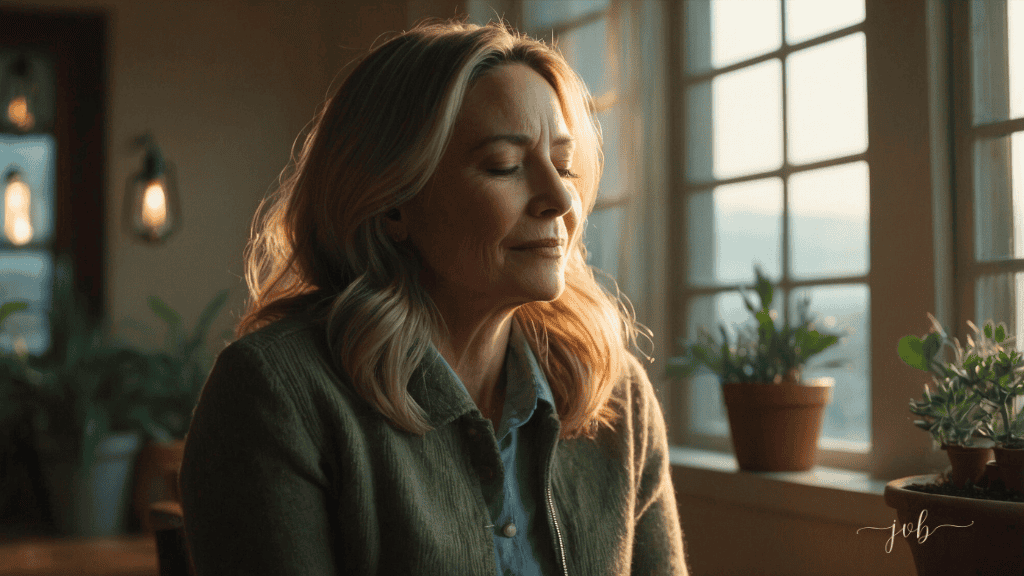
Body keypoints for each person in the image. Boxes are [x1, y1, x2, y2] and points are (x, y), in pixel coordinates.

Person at [179, 18, 688, 575]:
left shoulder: (617, 397)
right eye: (505, 166)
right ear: (394, 203)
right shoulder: (277, 396)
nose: (559, 199)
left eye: (564, 166)